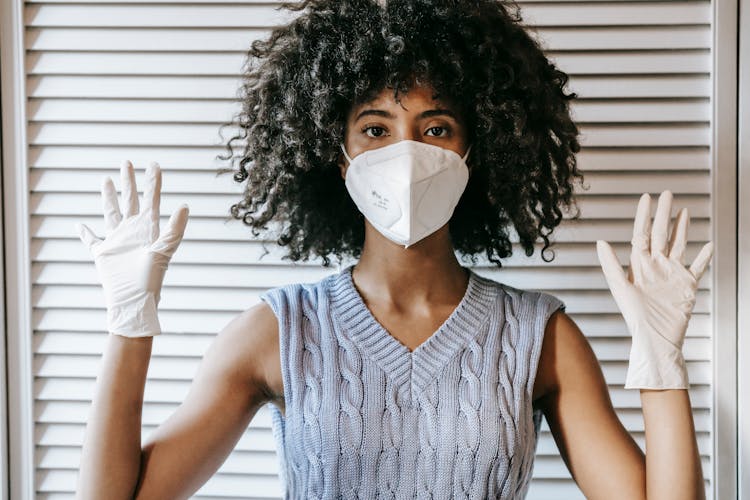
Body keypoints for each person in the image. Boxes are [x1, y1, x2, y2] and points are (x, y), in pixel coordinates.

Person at [74, 0, 713, 498]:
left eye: (435, 127)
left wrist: (661, 366)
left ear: (474, 147)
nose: (405, 152)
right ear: (339, 152)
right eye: (376, 128)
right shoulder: (277, 331)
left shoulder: (539, 336)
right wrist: (129, 326)